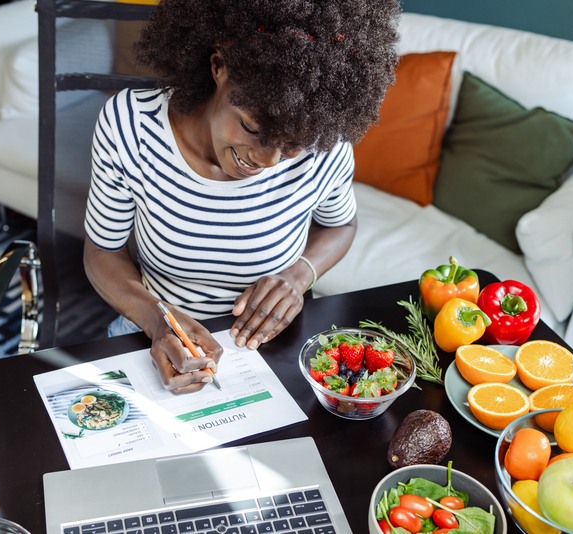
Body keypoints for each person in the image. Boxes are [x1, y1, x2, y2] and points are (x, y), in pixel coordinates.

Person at [83, 0, 400, 393]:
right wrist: (158, 320)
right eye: (252, 127)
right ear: (219, 67)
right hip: (151, 332)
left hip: (274, 349)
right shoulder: (130, 126)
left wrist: (298, 275)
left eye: (290, 146)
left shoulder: (325, 150)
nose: (266, 160)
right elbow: (102, 251)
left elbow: (341, 224)